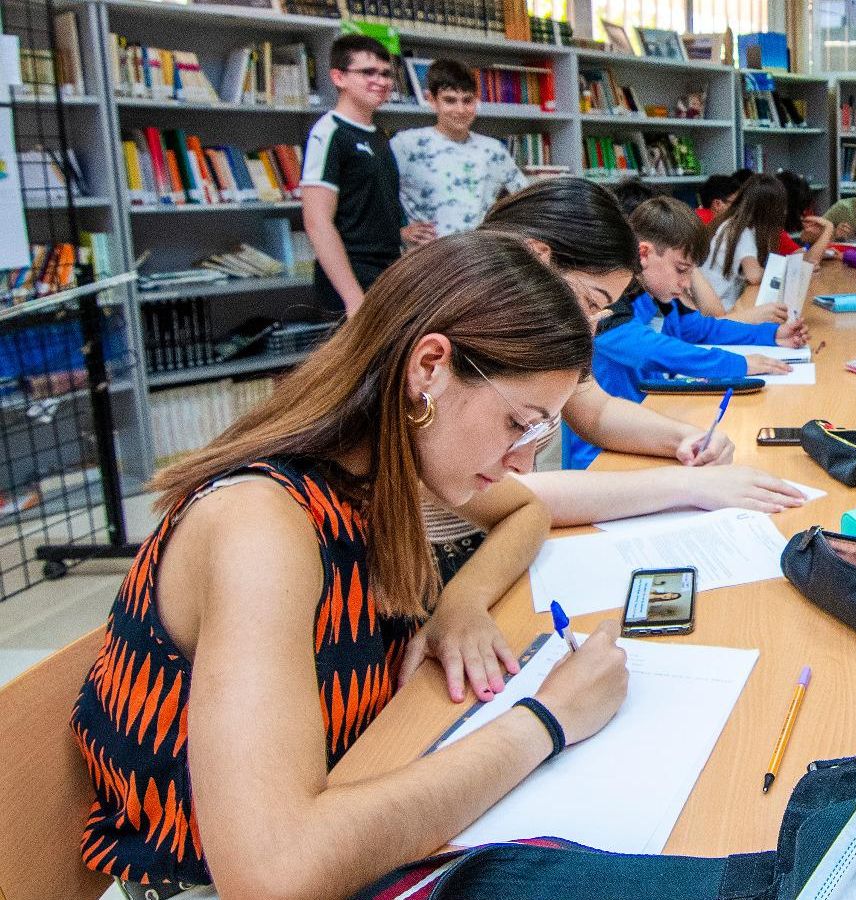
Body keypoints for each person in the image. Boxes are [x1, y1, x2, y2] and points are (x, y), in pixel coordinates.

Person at [70, 231, 632, 899]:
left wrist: (461, 603)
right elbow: (272, 873)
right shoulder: (261, 524)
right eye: (519, 424)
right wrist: (548, 719)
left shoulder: (381, 467)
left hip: (352, 805)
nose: (523, 462)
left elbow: (525, 509)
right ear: (430, 368)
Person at [569, 197, 809, 468]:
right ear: (644, 254)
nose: (685, 284)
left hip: (649, 422)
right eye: (681, 270)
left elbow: (703, 329)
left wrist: (771, 335)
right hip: (601, 453)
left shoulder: (656, 296)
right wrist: (737, 363)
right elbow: (650, 350)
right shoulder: (607, 302)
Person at [301, 34, 412, 317]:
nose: (381, 81)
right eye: (368, 72)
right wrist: (353, 299)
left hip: (386, 272)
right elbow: (317, 223)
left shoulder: (379, 135)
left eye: (386, 74)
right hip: (352, 280)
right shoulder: (329, 132)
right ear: (339, 77)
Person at [390, 58, 531, 244]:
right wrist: (399, 233)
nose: (460, 109)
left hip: (478, 252)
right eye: (450, 100)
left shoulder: (493, 150)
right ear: (431, 100)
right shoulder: (405, 145)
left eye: (467, 101)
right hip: (427, 254)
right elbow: (373, 199)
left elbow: (527, 198)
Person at [702, 173, 833, 309]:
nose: (784, 212)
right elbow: (753, 275)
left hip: (722, 303)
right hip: (722, 307)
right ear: (769, 209)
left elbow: (806, 261)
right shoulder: (740, 231)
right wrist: (788, 271)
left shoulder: (736, 225)